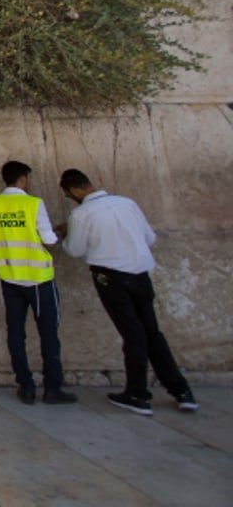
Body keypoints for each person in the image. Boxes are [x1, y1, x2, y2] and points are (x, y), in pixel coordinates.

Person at [59, 168, 197, 416]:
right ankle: (182, 391)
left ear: (73, 190)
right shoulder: (127, 203)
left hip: (111, 278)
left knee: (133, 335)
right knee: (152, 332)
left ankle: (137, 393)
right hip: (141, 275)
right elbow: (149, 237)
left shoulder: (81, 214)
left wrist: (67, 233)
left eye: (69, 195)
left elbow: (75, 250)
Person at [0, 160, 77, 406]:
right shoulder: (33, 204)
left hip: (9, 276)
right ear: (23, 179)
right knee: (48, 333)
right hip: (38, 278)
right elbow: (49, 240)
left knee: (15, 332)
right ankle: (52, 388)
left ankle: (25, 386)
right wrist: (61, 233)